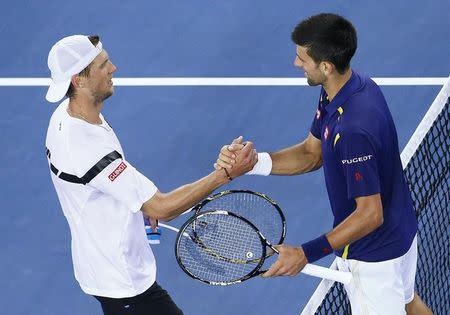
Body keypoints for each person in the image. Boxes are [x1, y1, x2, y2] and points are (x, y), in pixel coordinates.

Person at [215, 13, 432, 315]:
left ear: (326, 66)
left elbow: (370, 214)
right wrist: (252, 163)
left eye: (302, 59)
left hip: (375, 260)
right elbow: (311, 153)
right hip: (402, 232)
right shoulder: (351, 87)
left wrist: (306, 253)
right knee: (409, 304)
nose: (296, 64)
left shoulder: (353, 128)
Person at [44, 34, 257, 315]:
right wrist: (225, 174)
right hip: (122, 282)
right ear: (78, 80)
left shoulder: (69, 115)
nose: (114, 68)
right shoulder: (85, 145)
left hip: (105, 271)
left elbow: (95, 185)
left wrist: (135, 204)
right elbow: (162, 207)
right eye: (103, 64)